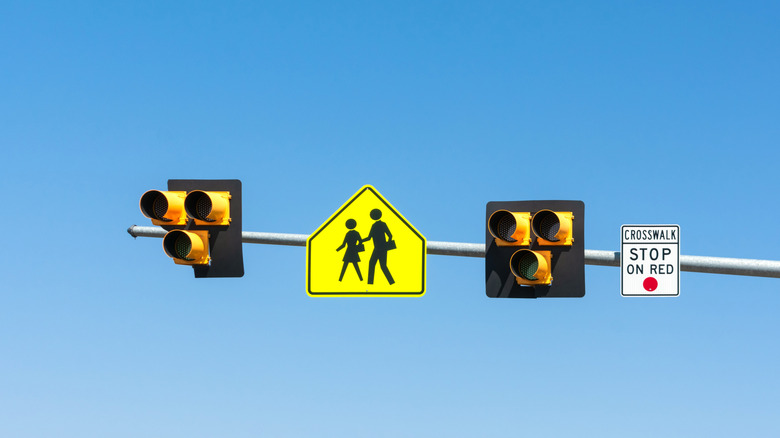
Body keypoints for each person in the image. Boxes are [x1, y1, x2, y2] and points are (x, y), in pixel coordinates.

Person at [362, 209, 395, 285]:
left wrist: (361, 241)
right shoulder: (381, 224)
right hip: (381, 248)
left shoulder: (375, 225)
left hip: (378, 249)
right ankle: (391, 282)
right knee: (382, 266)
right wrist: (386, 245)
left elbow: (369, 238)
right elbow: (390, 236)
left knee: (373, 264)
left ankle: (371, 283)